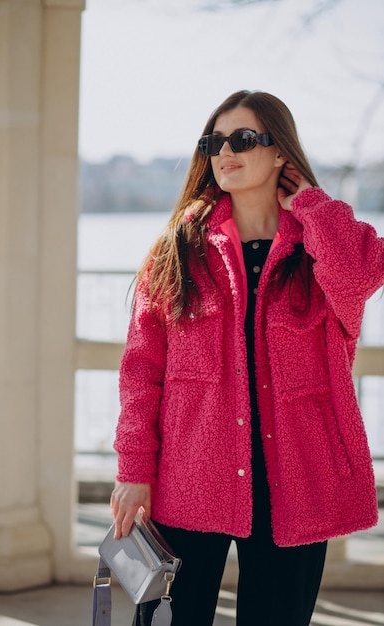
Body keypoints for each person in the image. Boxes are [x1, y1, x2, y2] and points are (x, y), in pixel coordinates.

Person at [110, 90, 384, 626]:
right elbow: (142, 371)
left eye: (243, 139)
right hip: (189, 480)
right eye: (214, 141)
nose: (224, 152)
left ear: (281, 151)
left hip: (295, 484)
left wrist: (311, 204)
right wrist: (134, 468)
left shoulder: (319, 248)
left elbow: (360, 276)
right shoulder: (179, 248)